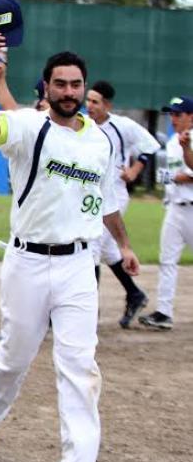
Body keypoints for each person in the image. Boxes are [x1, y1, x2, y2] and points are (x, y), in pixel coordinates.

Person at [0, 33, 140, 462]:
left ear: (83, 89)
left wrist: (121, 246)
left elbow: (103, 203)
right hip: (26, 261)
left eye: (75, 84)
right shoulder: (25, 126)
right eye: (59, 83)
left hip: (79, 264)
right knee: (14, 357)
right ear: (46, 87)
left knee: (80, 366)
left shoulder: (101, 141)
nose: (68, 91)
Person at [85, 80, 160, 327]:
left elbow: (150, 145)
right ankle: (135, 294)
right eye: (88, 100)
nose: (90, 105)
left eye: (95, 101)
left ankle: (88, 314)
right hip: (90, 194)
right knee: (108, 251)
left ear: (107, 105)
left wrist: (136, 169)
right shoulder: (82, 125)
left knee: (92, 247)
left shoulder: (121, 126)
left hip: (115, 195)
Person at [141, 96, 193, 331]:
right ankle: (164, 312)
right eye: (171, 114)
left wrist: (175, 176)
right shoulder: (173, 140)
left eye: (178, 114)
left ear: (191, 116)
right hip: (174, 207)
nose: (173, 118)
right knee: (167, 260)